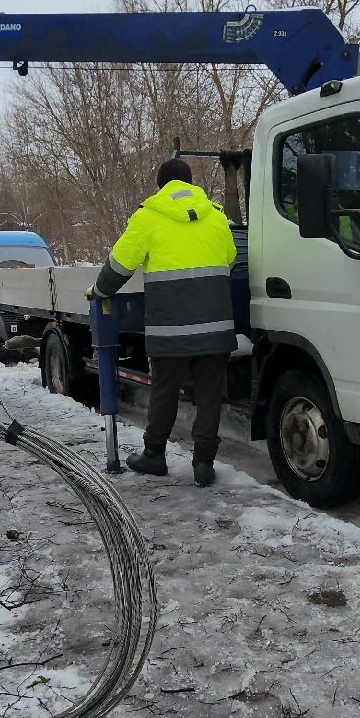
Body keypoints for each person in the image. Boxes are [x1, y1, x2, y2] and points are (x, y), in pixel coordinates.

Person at [94, 158, 237, 486]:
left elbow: (120, 265)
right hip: (215, 325)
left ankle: (155, 455)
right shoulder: (216, 217)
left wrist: (101, 291)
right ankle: (203, 463)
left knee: (164, 391)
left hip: (170, 329)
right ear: (190, 184)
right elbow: (229, 257)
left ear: (161, 186)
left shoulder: (149, 216)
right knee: (209, 394)